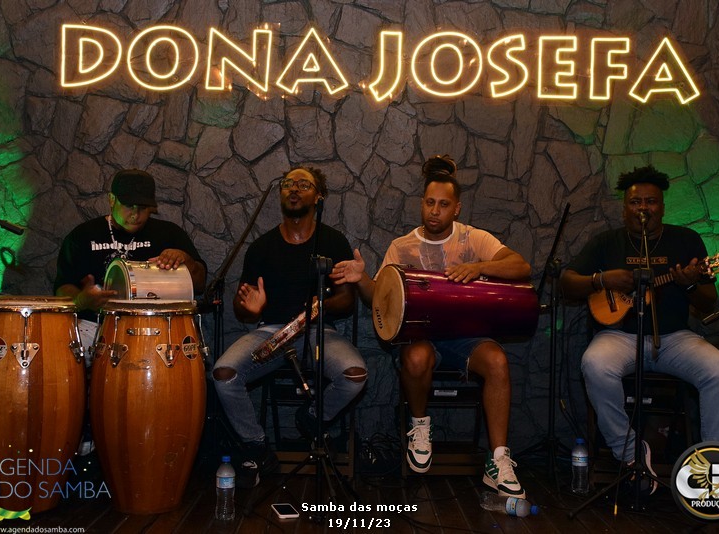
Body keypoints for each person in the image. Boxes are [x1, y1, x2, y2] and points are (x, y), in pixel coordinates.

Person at [330, 155, 531, 498]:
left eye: (443, 204)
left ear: (457, 208)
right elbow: (381, 298)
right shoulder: (402, 246)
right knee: (417, 357)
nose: (434, 211)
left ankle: (498, 460)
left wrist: (480, 267)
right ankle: (420, 426)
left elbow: (521, 266)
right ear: (422, 204)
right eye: (429, 203)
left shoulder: (473, 238)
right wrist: (361, 278)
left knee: (498, 361)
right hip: (421, 336)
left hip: (466, 338)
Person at [559, 166, 719, 495]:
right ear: (625, 208)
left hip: (674, 338)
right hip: (618, 336)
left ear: (662, 207)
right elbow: (567, 282)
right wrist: (602, 279)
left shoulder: (686, 241)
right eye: (635, 202)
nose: (643, 208)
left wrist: (689, 284)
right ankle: (631, 455)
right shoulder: (607, 242)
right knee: (594, 364)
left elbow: (707, 301)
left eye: (651, 201)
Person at [212, 166, 367, 488]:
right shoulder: (261, 247)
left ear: (319, 196)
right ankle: (256, 445)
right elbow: (242, 309)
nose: (293, 189)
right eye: (287, 184)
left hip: (319, 333)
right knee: (223, 375)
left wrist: (320, 307)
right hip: (270, 331)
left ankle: (311, 417)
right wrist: (249, 308)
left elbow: (347, 300)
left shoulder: (332, 241)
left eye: (303, 184)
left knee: (355, 375)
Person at [54, 168, 207, 349]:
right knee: (60, 346)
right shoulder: (83, 235)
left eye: (142, 207)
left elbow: (200, 284)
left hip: (156, 328)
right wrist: (81, 300)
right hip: (94, 325)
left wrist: (186, 261)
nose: (135, 214)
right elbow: (62, 288)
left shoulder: (169, 234)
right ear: (112, 200)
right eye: (128, 205)